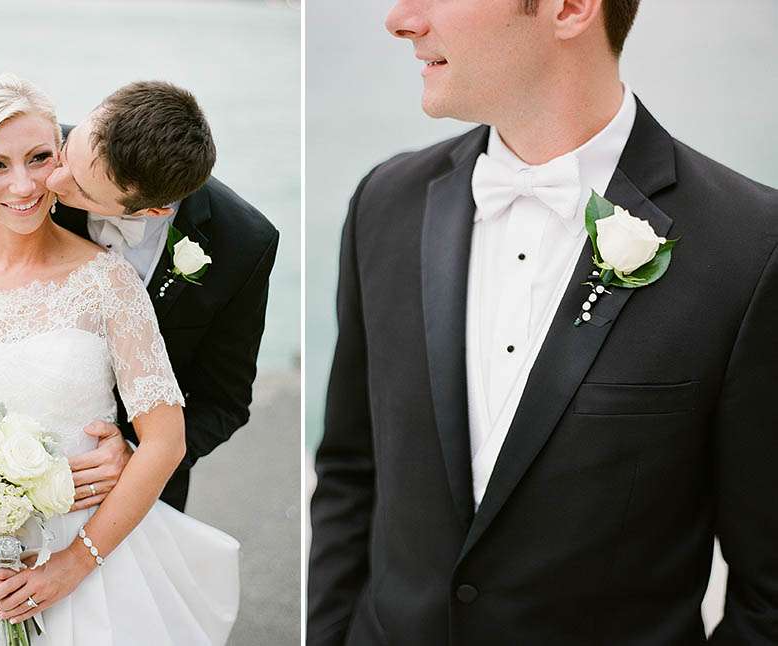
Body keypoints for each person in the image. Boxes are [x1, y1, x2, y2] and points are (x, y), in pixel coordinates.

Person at [307, 1, 778, 644]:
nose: (399, 19)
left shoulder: (751, 247)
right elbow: (349, 473)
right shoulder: (384, 202)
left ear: (570, 8)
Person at [0, 74, 239, 645]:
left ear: (61, 155)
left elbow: (166, 437)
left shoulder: (108, 282)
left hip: (91, 548)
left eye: (37, 158)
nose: (24, 184)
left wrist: (74, 564)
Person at [0, 79, 279, 514]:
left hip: (135, 501)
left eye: (79, 187)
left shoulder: (244, 242)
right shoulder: (23, 168)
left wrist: (135, 454)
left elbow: (225, 400)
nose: (50, 180)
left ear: (152, 210)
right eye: (66, 152)